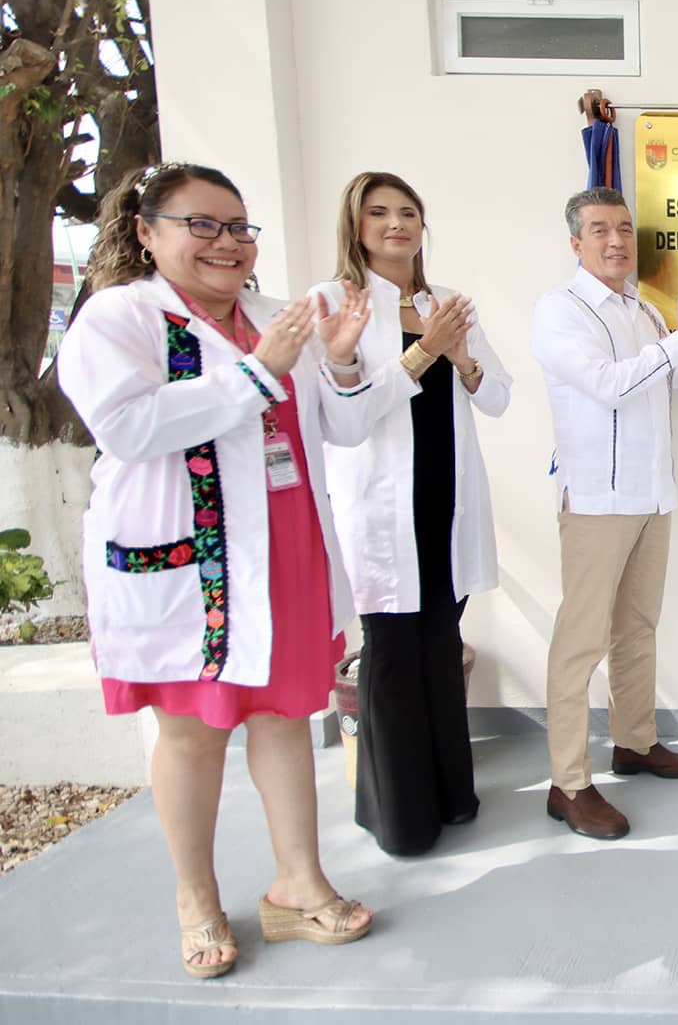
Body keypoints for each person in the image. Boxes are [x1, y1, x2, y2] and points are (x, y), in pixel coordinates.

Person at [57, 163, 382, 978]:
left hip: (287, 547)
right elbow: (129, 427)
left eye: (238, 228)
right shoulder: (118, 318)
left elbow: (336, 429)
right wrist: (256, 369)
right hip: (190, 560)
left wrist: (338, 363)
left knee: (283, 715)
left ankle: (298, 882)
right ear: (146, 231)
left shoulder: (278, 316)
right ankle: (196, 896)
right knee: (194, 729)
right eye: (202, 225)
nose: (226, 243)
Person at [531, 187, 678, 839]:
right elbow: (608, 385)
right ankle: (567, 783)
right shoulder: (560, 310)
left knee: (637, 628)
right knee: (579, 644)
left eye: (625, 228)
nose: (616, 240)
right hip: (598, 502)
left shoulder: (645, 311)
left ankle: (633, 741)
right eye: (600, 229)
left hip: (652, 495)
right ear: (575, 242)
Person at [313, 172, 512, 856]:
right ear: (356, 224)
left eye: (408, 212)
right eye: (380, 212)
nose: (396, 224)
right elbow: (347, 417)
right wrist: (424, 352)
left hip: (445, 501)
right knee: (393, 654)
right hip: (379, 507)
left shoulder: (447, 303)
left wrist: (463, 360)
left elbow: (499, 399)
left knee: (437, 642)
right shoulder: (333, 304)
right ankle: (399, 816)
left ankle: (452, 795)